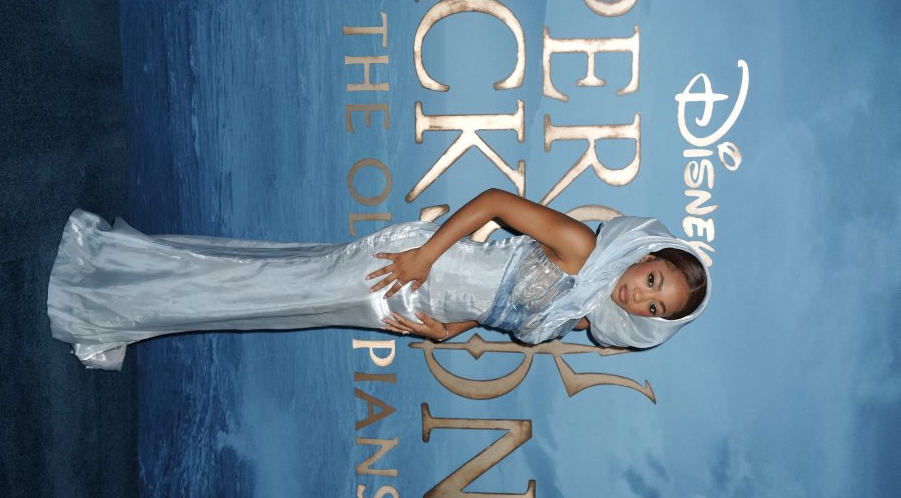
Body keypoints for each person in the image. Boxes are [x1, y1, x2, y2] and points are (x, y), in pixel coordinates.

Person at [47, 189, 710, 370]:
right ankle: (100, 297)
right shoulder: (583, 248)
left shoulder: (583, 314)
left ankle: (118, 281)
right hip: (417, 264)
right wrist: (423, 258)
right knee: (265, 292)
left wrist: (449, 331)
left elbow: (501, 309)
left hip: (415, 302)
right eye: (654, 278)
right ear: (644, 255)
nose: (642, 295)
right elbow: (494, 203)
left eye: (655, 305)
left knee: (271, 295)